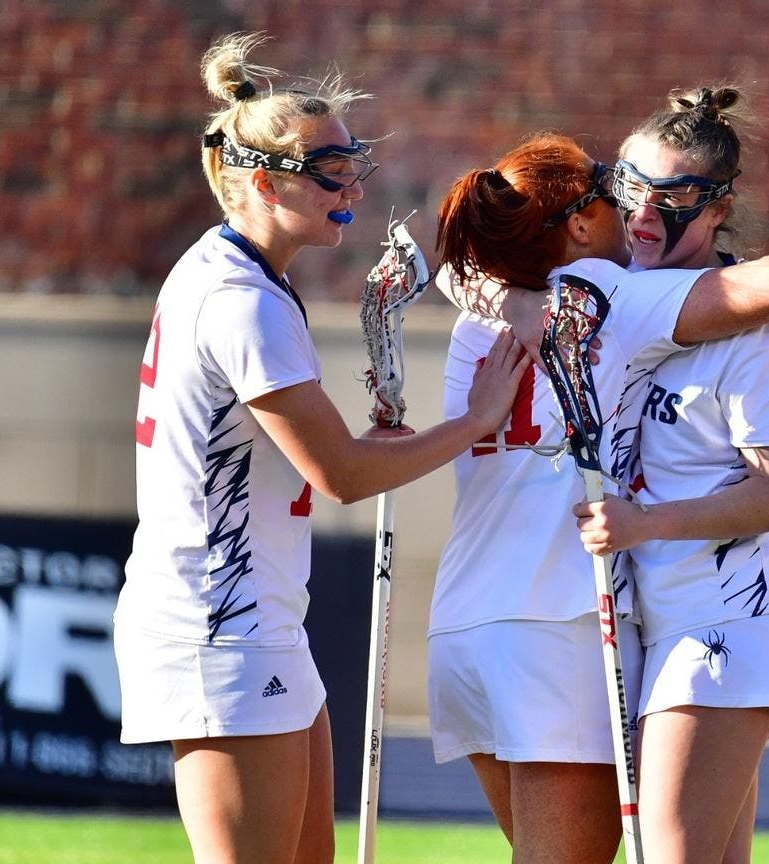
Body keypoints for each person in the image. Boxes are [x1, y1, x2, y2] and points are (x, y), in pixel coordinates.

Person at [113, 32, 528, 864]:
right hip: (219, 624)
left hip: (265, 616)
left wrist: (380, 439)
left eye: (352, 161)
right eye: (329, 169)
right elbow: (337, 475)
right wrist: (472, 425)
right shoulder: (241, 301)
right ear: (262, 182)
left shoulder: (247, 277)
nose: (352, 186)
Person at [427, 131, 769, 863]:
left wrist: (497, 290)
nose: (632, 210)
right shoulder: (612, 294)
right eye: (616, 192)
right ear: (576, 225)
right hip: (554, 621)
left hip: (464, 627)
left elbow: (460, 269)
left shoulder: (475, 306)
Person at [571, 86, 769, 863]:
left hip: (730, 616)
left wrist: (646, 524)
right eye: (629, 189)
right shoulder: (628, 293)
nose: (642, 215)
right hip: (659, 615)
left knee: (662, 855)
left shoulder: (748, 331)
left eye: (670, 198)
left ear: (716, 210)